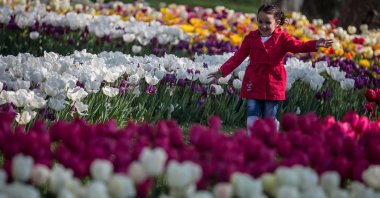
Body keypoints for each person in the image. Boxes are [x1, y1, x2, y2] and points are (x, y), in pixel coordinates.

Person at [207, 4, 333, 134]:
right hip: (254, 79)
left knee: (269, 113)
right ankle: (252, 138)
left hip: (273, 81)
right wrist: (221, 72)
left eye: (268, 22)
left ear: (277, 23)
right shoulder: (251, 38)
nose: (263, 26)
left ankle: (270, 136)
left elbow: (298, 46)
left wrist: (315, 44)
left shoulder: (283, 38)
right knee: (252, 109)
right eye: (260, 21)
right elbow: (237, 57)